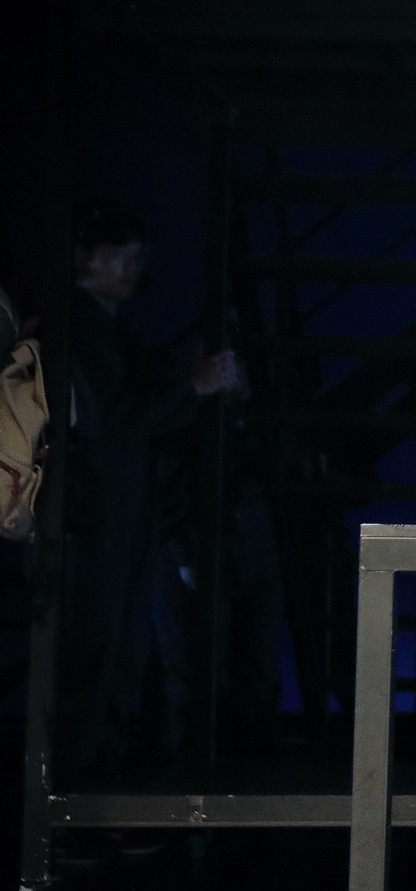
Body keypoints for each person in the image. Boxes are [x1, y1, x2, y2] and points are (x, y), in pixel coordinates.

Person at [59, 201, 239, 777]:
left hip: (118, 508)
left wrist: (191, 382)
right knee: (98, 642)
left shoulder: (106, 328)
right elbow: (110, 418)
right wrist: (191, 388)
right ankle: (78, 776)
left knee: (119, 642)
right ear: (84, 257)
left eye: (138, 257)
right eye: (121, 255)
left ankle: (96, 772)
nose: (132, 268)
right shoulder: (79, 329)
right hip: (97, 510)